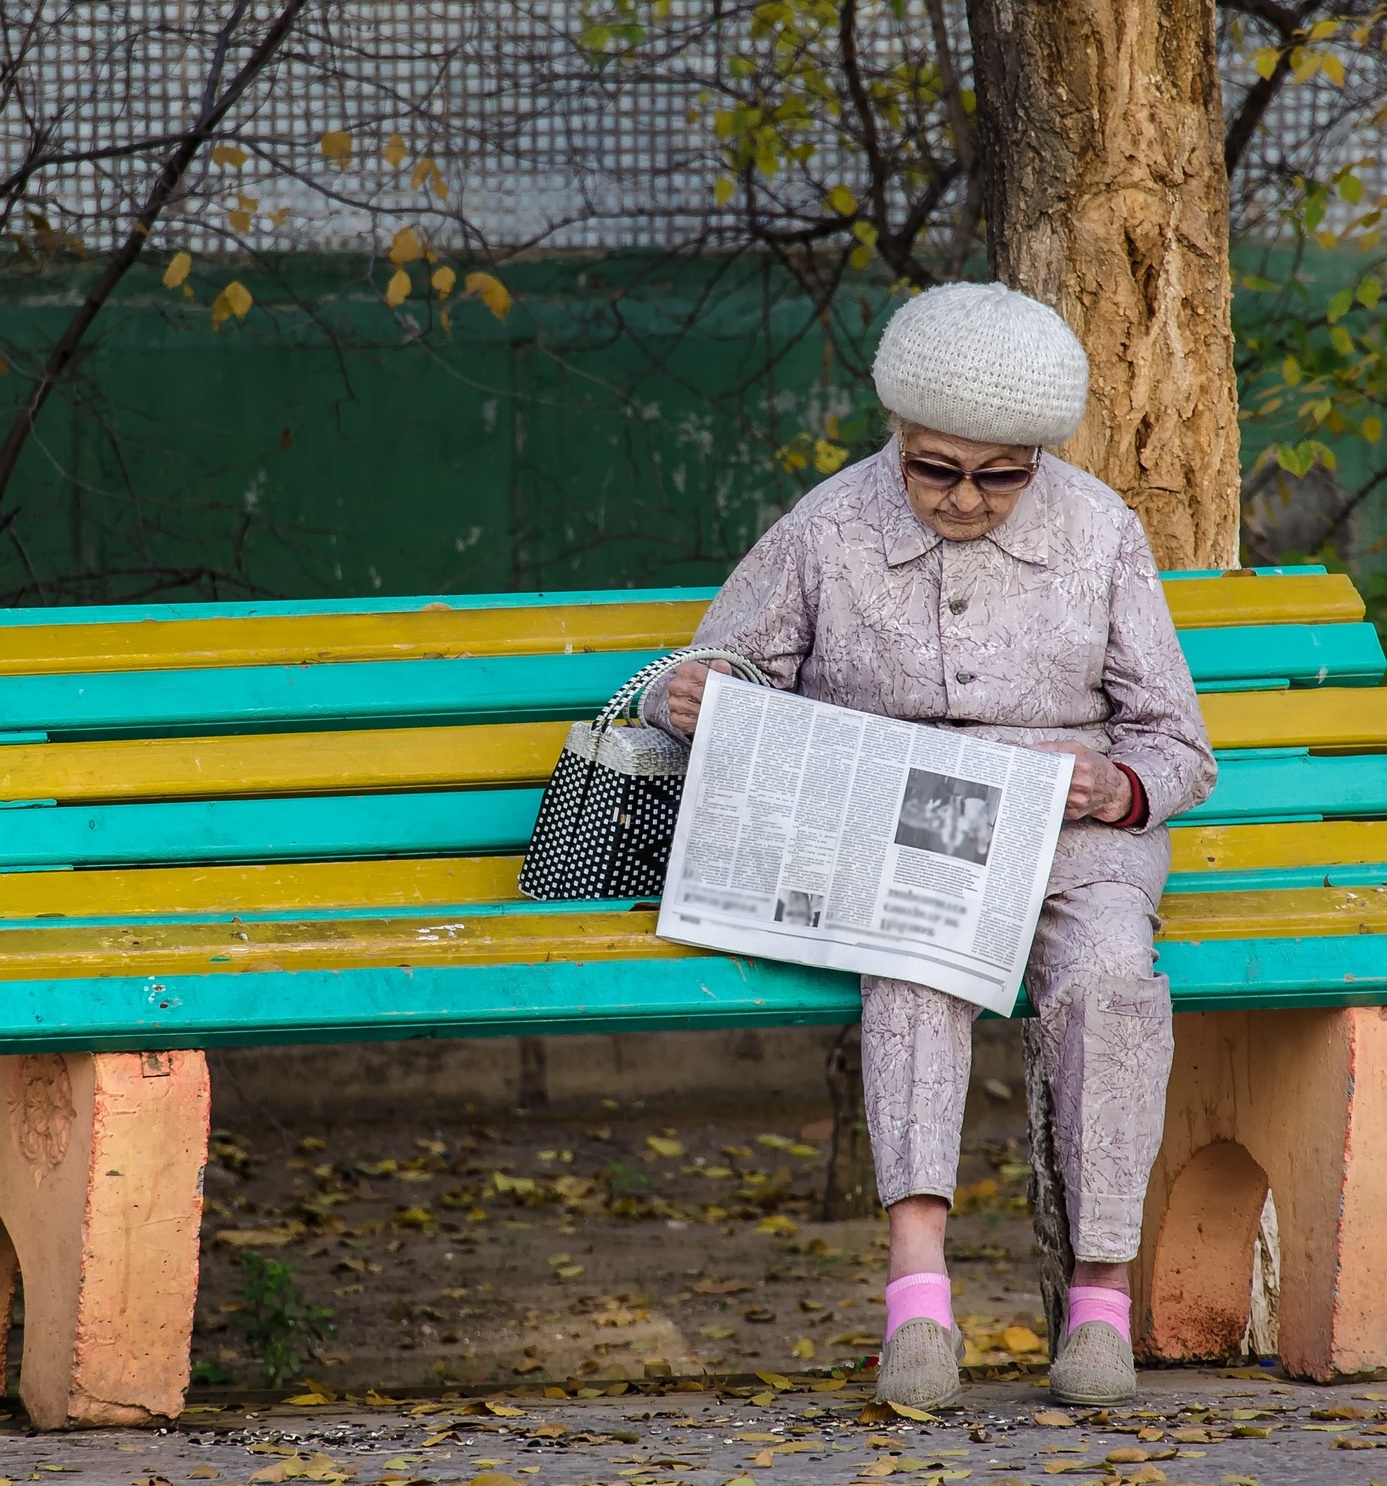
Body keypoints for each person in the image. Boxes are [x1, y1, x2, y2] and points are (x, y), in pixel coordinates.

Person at [645, 282, 1216, 1409]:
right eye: (934, 468)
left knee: (1110, 981)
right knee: (912, 962)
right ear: (897, 438)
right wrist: (696, 696)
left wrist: (1114, 783)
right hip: (895, 831)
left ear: (1039, 459)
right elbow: (714, 666)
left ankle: (1099, 1305)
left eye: (1000, 474)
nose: (964, 498)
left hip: (1068, 837)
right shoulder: (831, 522)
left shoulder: (1100, 529)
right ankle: (919, 1299)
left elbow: (1180, 748)